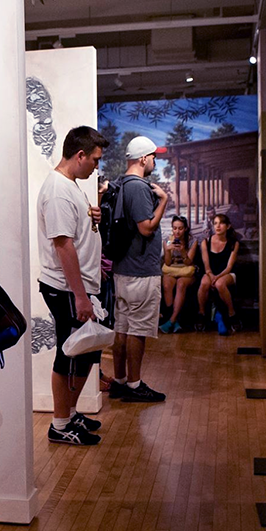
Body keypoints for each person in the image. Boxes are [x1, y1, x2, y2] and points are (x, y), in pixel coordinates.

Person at [36, 126, 108, 445]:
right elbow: (63, 245)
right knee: (69, 354)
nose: (96, 166)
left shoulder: (71, 186)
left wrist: (90, 214)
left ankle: (70, 411)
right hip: (65, 289)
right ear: (79, 155)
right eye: (94, 159)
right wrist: (80, 296)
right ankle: (60, 424)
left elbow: (74, 232)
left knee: (86, 353)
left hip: (78, 288)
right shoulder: (57, 191)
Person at [109, 136, 169, 402]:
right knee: (138, 329)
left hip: (123, 267)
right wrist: (164, 201)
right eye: (154, 157)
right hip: (141, 271)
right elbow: (146, 227)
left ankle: (120, 380)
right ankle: (134, 384)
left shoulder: (121, 184)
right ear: (144, 158)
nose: (155, 161)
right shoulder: (139, 187)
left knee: (122, 327)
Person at [197, 213, 241, 335]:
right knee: (204, 282)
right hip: (210, 272)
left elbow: (229, 267)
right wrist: (211, 276)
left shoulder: (234, 243)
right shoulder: (206, 241)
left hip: (227, 274)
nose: (218, 226)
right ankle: (201, 314)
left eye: (221, 223)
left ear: (228, 226)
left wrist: (217, 278)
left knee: (220, 284)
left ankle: (232, 314)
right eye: (215, 223)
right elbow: (206, 266)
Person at [159, 215, 198, 334]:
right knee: (166, 284)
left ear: (185, 228)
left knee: (181, 284)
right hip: (172, 270)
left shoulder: (192, 241)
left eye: (180, 228)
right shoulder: (167, 240)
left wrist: (182, 251)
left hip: (186, 271)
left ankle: (171, 320)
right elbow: (167, 262)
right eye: (175, 228)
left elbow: (188, 262)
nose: (177, 231)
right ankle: (174, 322)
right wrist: (168, 250)